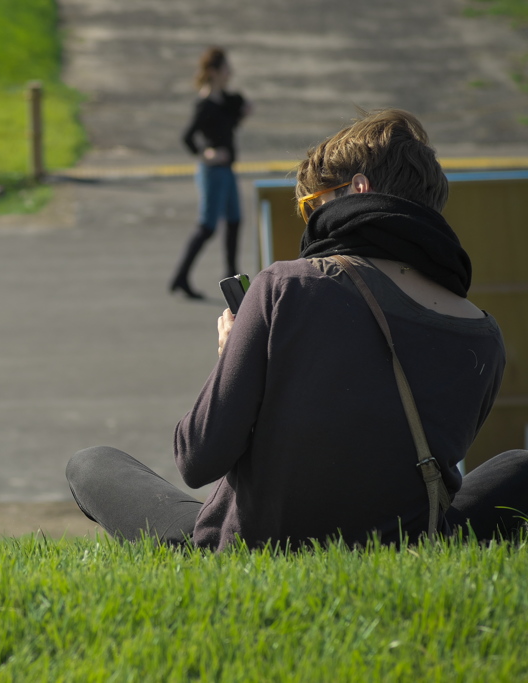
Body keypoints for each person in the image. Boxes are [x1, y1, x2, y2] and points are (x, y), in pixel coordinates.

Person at [68, 109, 528, 550]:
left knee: (90, 463)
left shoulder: (288, 286)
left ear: (358, 188)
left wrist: (233, 353)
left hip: (255, 543)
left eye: (312, 204)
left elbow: (198, 457)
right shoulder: (482, 333)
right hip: (404, 539)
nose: (309, 221)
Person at [171, 46, 251, 299]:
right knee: (207, 226)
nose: (230, 72)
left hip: (228, 171)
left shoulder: (225, 101)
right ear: (214, 71)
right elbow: (188, 137)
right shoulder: (204, 104)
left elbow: (239, 114)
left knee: (235, 221)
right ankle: (180, 277)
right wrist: (207, 154)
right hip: (212, 172)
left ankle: (232, 276)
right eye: (226, 68)